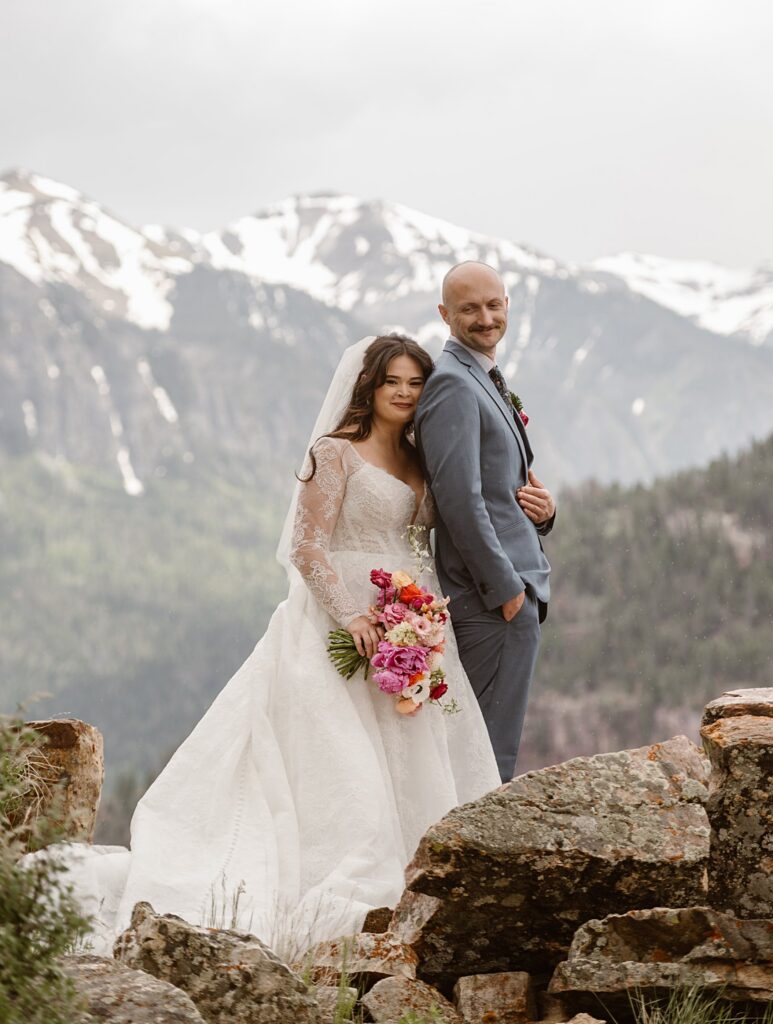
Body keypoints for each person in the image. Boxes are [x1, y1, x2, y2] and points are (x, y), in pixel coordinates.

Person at [44, 334, 502, 958]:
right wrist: (350, 617)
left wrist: (534, 512)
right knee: (341, 759)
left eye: (415, 382)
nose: (403, 392)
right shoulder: (336, 452)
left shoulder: (425, 460)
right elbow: (308, 546)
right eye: (392, 380)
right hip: (337, 622)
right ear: (368, 386)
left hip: (414, 621)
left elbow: (463, 518)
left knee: (416, 751)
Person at [415, 263, 556, 783]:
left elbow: (498, 487)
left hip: (511, 591)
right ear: (445, 314)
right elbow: (459, 501)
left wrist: (546, 512)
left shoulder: (482, 374)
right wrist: (506, 591)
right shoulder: (452, 383)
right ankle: (470, 860)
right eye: (470, 308)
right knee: (484, 754)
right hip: (490, 599)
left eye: (494, 304)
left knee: (492, 746)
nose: (485, 317)